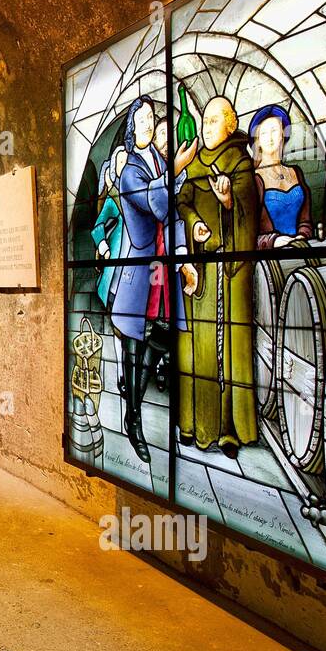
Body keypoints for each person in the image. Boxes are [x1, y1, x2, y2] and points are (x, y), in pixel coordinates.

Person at [110, 97, 196, 462]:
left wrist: (182, 257)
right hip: (141, 268)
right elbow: (157, 204)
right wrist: (175, 171)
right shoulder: (131, 169)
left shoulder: (159, 162)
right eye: (140, 119)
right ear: (132, 127)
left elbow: (173, 215)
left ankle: (135, 411)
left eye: (150, 118)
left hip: (163, 267)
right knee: (133, 340)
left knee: (155, 341)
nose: (146, 124)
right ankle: (133, 421)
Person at [176, 95, 258, 457]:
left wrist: (228, 203)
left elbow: (247, 212)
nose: (207, 127)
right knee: (202, 347)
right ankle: (198, 426)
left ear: (229, 124)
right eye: (204, 121)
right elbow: (182, 201)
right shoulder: (195, 165)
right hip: (203, 270)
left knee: (228, 346)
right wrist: (194, 226)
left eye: (214, 121)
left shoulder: (240, 161)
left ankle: (228, 430)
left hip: (231, 270)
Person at [249, 104, 313, 249]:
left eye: (274, 130)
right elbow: (246, 232)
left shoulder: (296, 173)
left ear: (283, 134)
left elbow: (306, 221)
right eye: (264, 133)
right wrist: (272, 241)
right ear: (257, 140)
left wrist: (302, 236)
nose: (269, 137)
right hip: (271, 260)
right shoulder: (254, 180)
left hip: (299, 248)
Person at [90, 146, 128, 309]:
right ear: (114, 168)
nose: (125, 165)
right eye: (121, 162)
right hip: (118, 253)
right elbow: (98, 226)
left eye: (128, 161)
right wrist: (104, 247)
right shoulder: (113, 196)